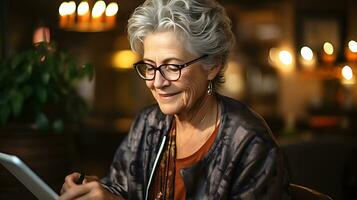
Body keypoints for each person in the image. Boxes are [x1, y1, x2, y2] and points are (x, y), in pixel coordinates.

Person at [59, 0, 290, 199]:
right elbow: (121, 188)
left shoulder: (251, 144)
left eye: (172, 66)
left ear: (212, 66)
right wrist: (92, 191)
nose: (157, 82)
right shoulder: (148, 122)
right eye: (150, 67)